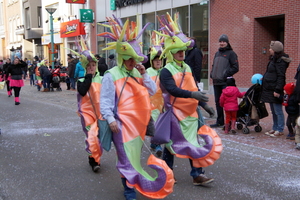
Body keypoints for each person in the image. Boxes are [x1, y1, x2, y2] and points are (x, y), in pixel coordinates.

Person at [99, 16, 174, 200]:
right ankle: (129, 190)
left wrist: (144, 74)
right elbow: (105, 101)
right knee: (126, 158)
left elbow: (152, 90)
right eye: (130, 59)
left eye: (135, 59)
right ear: (122, 57)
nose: (133, 62)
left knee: (134, 156)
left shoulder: (137, 72)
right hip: (121, 126)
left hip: (138, 126)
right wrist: (110, 120)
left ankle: (132, 184)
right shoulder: (111, 75)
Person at [157, 12, 222, 187]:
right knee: (171, 146)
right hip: (175, 114)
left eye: (183, 50)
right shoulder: (166, 70)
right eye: (178, 50)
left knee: (194, 143)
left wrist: (204, 105)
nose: (181, 53)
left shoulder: (186, 67)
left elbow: (192, 89)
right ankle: (168, 173)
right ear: (171, 51)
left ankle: (197, 175)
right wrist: (193, 96)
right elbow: (172, 89)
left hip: (191, 115)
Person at [75, 43, 103, 173]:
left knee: (100, 139)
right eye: (89, 66)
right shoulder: (81, 80)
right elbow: (82, 91)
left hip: (101, 114)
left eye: (93, 65)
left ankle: (97, 157)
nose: (91, 68)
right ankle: (93, 161)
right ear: (85, 67)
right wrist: (88, 78)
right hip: (87, 115)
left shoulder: (102, 79)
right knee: (92, 137)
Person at [262, 41, 291, 137]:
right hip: (270, 88)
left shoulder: (280, 61)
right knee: (273, 111)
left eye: (271, 48)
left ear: (275, 50)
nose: (269, 49)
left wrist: (278, 90)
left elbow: (281, 76)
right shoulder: (273, 59)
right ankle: (274, 127)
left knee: (278, 110)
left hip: (274, 89)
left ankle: (280, 129)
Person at [210, 34, 239, 128]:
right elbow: (214, 65)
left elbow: (235, 67)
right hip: (216, 81)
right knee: (218, 102)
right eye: (220, 41)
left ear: (227, 42)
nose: (222, 43)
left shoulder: (231, 53)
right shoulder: (217, 53)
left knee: (227, 102)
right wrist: (212, 74)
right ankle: (220, 121)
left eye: (224, 42)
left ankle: (229, 122)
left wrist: (225, 74)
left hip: (224, 82)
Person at [185, 37, 215, 118]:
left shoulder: (196, 51)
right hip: (187, 77)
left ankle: (205, 109)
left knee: (195, 94)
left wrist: (197, 79)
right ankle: (207, 108)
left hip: (193, 77)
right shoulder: (187, 52)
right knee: (193, 94)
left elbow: (198, 66)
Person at [146, 32, 164, 157]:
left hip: (162, 103)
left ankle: (154, 143)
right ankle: (156, 145)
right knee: (155, 124)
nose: (158, 62)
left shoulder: (165, 71)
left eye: (160, 60)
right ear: (152, 61)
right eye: (156, 60)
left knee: (160, 124)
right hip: (151, 103)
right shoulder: (147, 72)